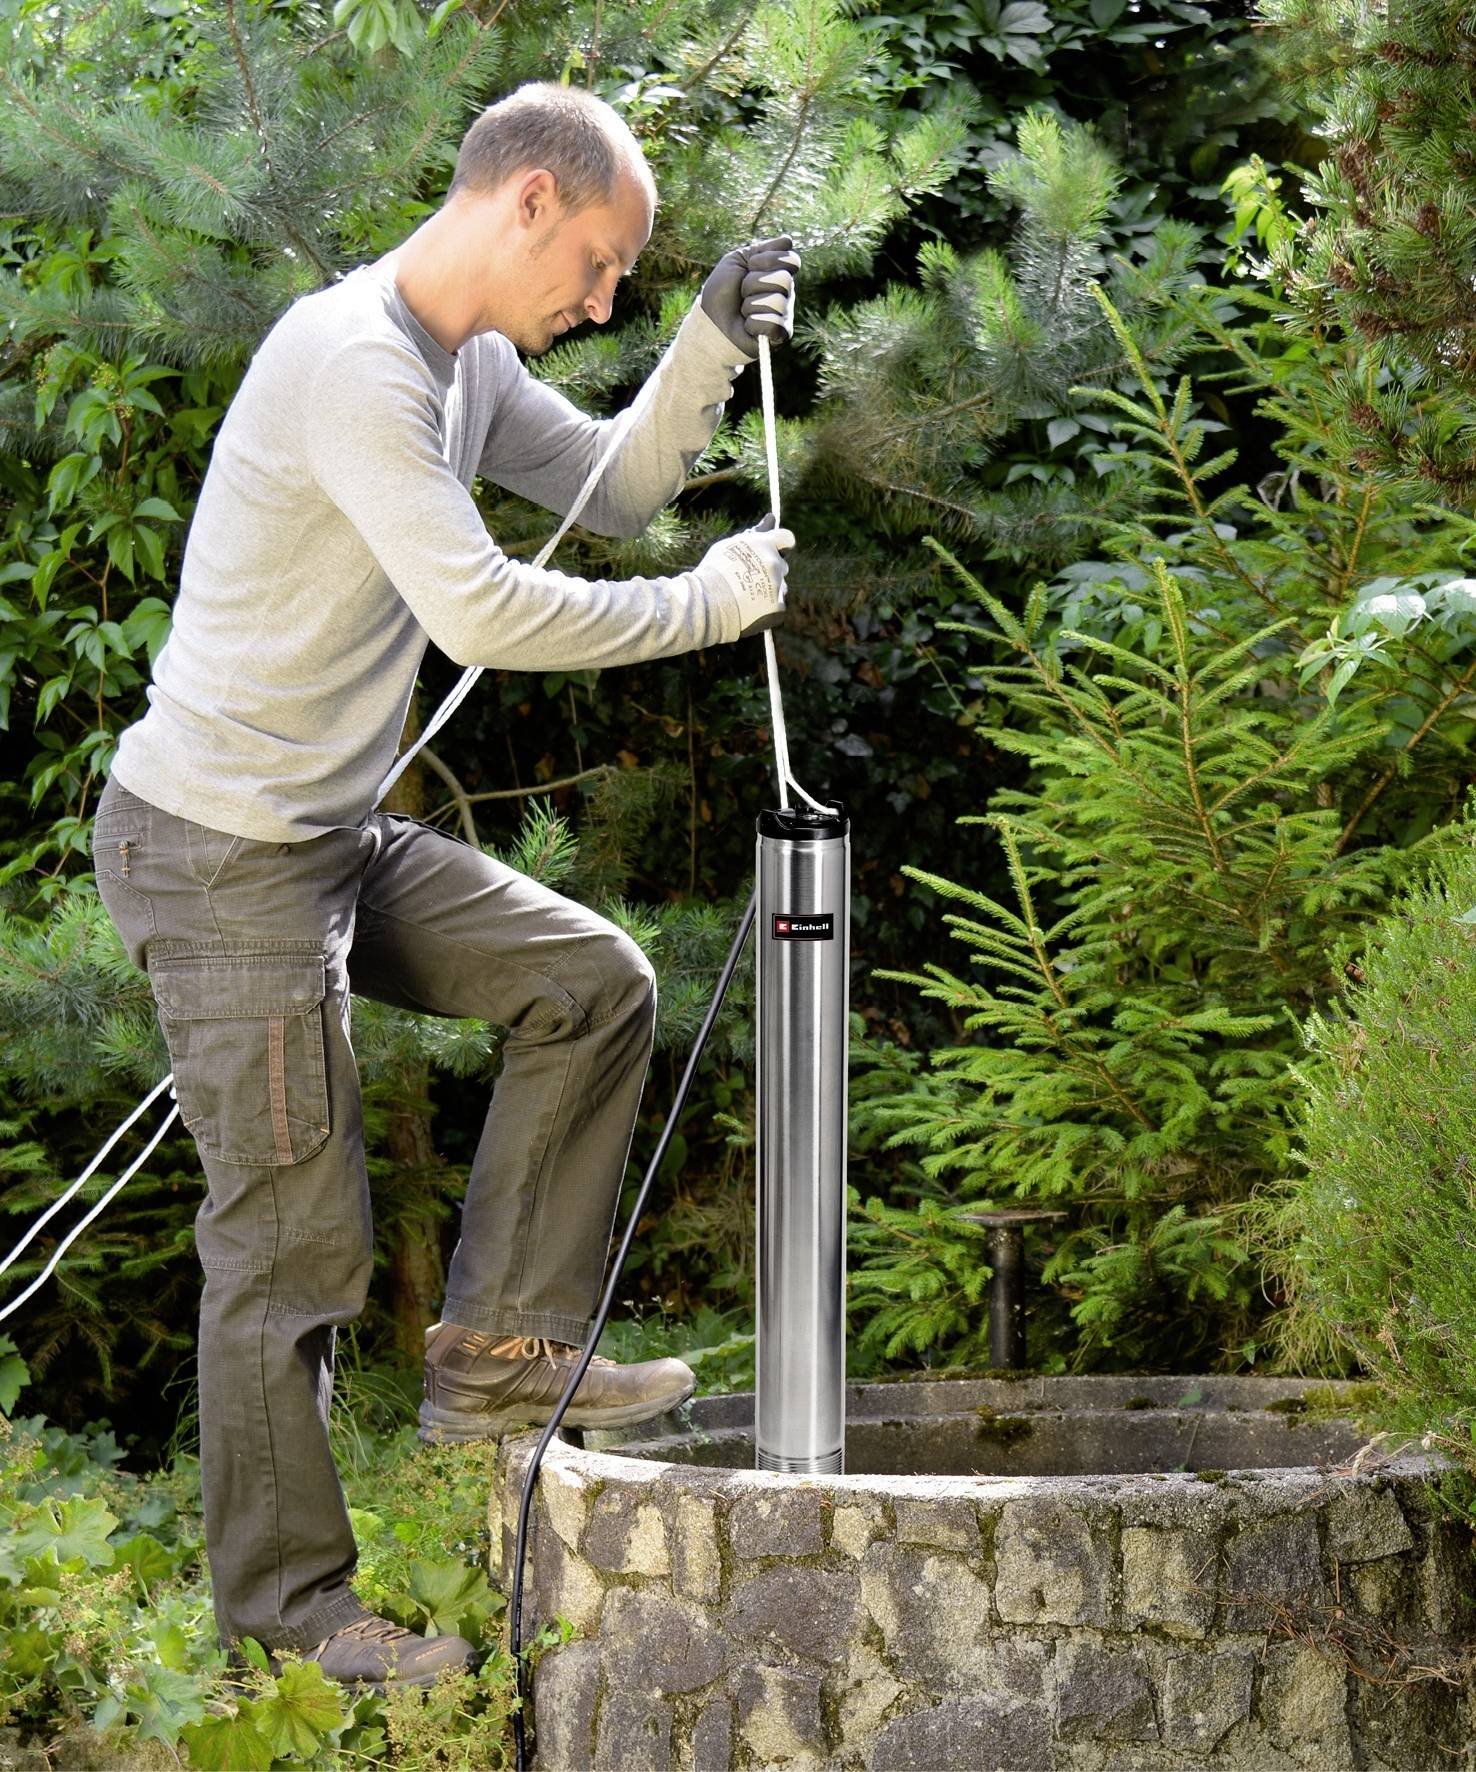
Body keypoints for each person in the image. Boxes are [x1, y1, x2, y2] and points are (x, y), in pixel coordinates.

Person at [90, 80, 799, 1684]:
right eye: (609, 266)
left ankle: (498, 1356)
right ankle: (290, 1623)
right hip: (221, 855)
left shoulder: (469, 363)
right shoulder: (351, 364)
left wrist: (702, 341)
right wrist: (701, 610)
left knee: (592, 983)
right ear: (529, 200)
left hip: (326, 834)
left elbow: (615, 491)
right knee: (291, 1242)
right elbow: (481, 613)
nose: (602, 299)